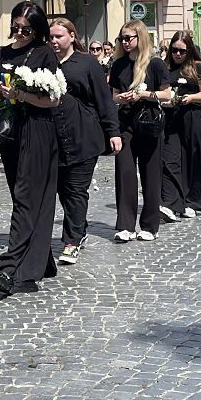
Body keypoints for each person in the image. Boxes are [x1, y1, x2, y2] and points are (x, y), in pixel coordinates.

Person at [0, 2, 62, 295]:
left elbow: (54, 99)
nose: (19, 33)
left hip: (37, 129)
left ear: (37, 30)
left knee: (26, 196)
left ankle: (8, 268)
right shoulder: (4, 53)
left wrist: (21, 94)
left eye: (26, 30)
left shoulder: (44, 53)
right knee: (21, 197)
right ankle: (41, 261)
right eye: (15, 27)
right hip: (11, 131)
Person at [49, 19, 120, 265]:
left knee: (76, 189)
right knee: (62, 189)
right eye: (51, 37)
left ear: (72, 36)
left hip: (84, 135)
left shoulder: (87, 63)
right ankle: (80, 227)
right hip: (54, 137)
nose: (54, 41)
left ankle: (72, 240)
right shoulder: (46, 63)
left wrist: (113, 131)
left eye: (59, 36)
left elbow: (104, 99)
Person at [108, 20, 172, 237]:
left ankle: (150, 226)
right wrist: (122, 98)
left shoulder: (155, 64)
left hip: (149, 122)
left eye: (129, 38)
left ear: (140, 37)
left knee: (151, 174)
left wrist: (142, 94)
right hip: (125, 122)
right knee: (125, 173)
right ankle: (125, 225)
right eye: (122, 38)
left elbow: (167, 94)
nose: (125, 42)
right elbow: (113, 95)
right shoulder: (118, 64)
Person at [160, 31, 201, 217]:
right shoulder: (165, 66)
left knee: (193, 157)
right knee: (170, 158)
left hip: (191, 115)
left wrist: (190, 98)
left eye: (182, 51)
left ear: (189, 50)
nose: (178, 54)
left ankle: (193, 200)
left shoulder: (198, 67)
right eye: (174, 50)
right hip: (170, 117)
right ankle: (172, 201)